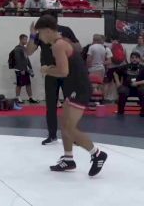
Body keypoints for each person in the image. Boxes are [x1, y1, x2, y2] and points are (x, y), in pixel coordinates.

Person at [35, 14, 107, 176]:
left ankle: (97, 154)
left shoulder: (58, 45)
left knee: (69, 128)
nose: (39, 37)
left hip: (78, 88)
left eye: (39, 33)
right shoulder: (62, 42)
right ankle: (68, 159)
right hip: (74, 87)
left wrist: (47, 70)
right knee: (65, 125)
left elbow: (62, 71)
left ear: (47, 31)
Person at [27, 12, 81, 145]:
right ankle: (52, 135)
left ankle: (73, 134)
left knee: (70, 104)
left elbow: (78, 48)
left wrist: (65, 43)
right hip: (51, 72)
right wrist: (33, 34)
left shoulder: (65, 30)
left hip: (66, 71)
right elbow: (29, 51)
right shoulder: (41, 33)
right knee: (51, 105)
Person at [113, 52, 144, 117]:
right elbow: (115, 73)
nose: (134, 59)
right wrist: (118, 83)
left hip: (138, 87)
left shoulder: (142, 68)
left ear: (139, 59)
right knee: (122, 90)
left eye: (136, 58)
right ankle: (120, 111)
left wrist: (137, 83)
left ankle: (143, 112)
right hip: (126, 87)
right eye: (132, 58)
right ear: (130, 59)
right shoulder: (125, 67)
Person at [13, 34, 39, 104]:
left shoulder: (24, 49)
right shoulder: (17, 49)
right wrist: (21, 69)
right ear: (21, 39)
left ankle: (30, 97)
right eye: (25, 39)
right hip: (20, 70)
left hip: (25, 69)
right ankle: (17, 97)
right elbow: (18, 60)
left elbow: (27, 59)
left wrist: (30, 68)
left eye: (27, 39)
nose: (26, 41)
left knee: (28, 83)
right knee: (19, 84)